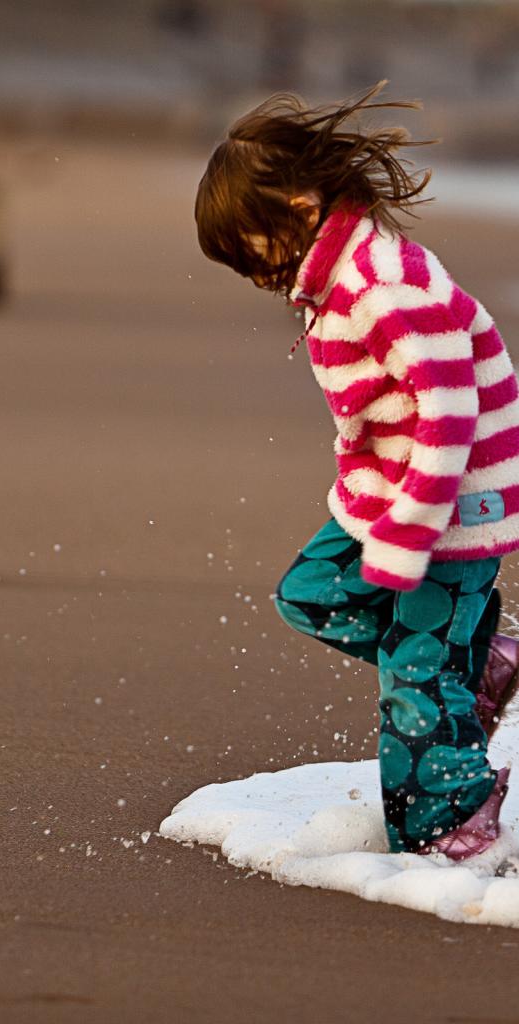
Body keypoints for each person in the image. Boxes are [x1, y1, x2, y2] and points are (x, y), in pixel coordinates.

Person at [194, 81, 519, 861]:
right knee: (313, 593)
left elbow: (449, 409)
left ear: (300, 207)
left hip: (452, 507)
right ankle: (478, 661)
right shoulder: (333, 281)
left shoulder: (382, 286)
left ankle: (453, 821)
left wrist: (411, 529)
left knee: (416, 678)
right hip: (389, 495)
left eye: (250, 248)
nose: (251, 270)